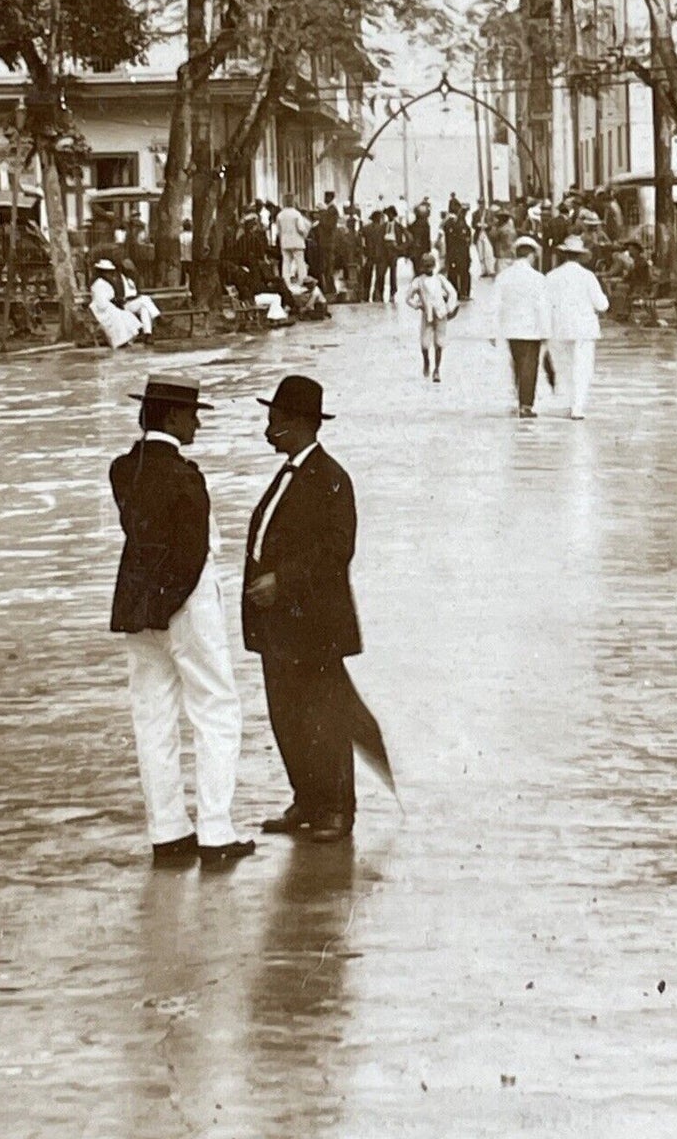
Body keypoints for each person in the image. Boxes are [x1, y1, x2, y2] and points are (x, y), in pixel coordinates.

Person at [110, 375, 252, 869]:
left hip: (136, 602)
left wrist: (151, 605)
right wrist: (172, 604)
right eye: (192, 415)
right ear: (171, 417)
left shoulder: (123, 470)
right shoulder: (186, 476)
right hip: (187, 602)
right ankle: (216, 831)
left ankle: (167, 832)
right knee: (215, 707)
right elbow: (192, 553)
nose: (196, 423)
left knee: (152, 713)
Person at [244, 375, 380, 844]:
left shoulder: (331, 478)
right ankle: (306, 799)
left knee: (325, 716)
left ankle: (338, 810)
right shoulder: (290, 474)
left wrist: (282, 581)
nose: (268, 429)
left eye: (274, 420)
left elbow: (338, 549)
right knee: (287, 716)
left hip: (315, 622)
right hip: (280, 624)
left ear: (298, 424)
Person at [545, 235, 609, 419]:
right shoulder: (588, 277)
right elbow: (602, 304)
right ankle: (577, 406)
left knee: (564, 367)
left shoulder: (551, 276)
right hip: (584, 329)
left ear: (563, 255)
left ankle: (568, 401)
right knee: (582, 367)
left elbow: (545, 304)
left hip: (559, 327)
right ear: (580, 256)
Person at [489, 236, 551, 417]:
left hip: (511, 328)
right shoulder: (538, 278)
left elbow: (495, 305)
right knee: (529, 365)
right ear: (531, 255)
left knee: (518, 363)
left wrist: (493, 331)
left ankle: (521, 397)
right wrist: (546, 331)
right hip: (532, 329)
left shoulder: (503, 277)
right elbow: (543, 307)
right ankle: (525, 404)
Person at [404, 252, 458, 382]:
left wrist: (448, 308)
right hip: (427, 315)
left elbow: (453, 293)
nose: (428, 269)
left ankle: (437, 370)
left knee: (439, 343)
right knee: (424, 344)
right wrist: (417, 305)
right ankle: (426, 361)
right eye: (426, 266)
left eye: (430, 266)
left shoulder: (439, 279)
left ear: (434, 266)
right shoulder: (418, 281)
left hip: (440, 313)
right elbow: (408, 298)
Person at [88, 258, 141, 350]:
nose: (108, 274)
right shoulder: (98, 284)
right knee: (117, 318)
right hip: (102, 309)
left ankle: (125, 339)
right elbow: (101, 302)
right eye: (106, 272)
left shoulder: (105, 282)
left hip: (108, 306)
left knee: (126, 315)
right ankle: (119, 341)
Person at [441, 206, 473, 300]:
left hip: (456, 253)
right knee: (461, 273)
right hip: (459, 253)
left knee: (455, 273)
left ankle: (457, 292)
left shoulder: (453, 224)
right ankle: (462, 292)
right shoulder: (456, 224)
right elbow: (464, 238)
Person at [277, 199, 310, 286]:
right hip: (297, 242)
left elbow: (279, 230)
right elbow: (301, 228)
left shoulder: (280, 215)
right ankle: (302, 281)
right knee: (300, 263)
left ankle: (286, 282)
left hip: (285, 242)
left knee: (286, 263)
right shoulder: (296, 214)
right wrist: (305, 235)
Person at [178, 219, 194, 287]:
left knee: (182, 279)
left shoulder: (180, 236)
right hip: (191, 259)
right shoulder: (193, 236)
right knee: (193, 279)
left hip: (182, 259)